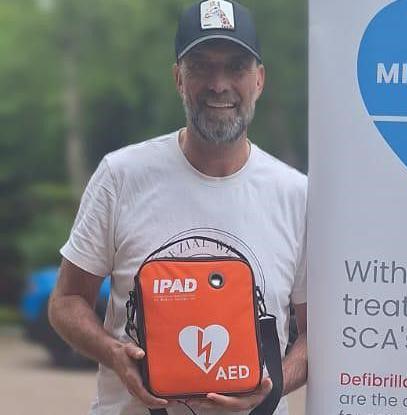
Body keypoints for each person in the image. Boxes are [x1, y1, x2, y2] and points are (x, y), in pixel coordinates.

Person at [48, 1, 307, 414]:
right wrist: (114, 352)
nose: (218, 84)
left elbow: (317, 337)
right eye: (200, 66)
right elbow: (66, 301)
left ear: (259, 80)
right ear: (178, 79)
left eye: (236, 67)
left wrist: (271, 388)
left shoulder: (298, 196)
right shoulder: (121, 177)